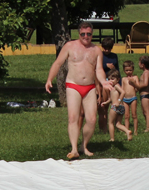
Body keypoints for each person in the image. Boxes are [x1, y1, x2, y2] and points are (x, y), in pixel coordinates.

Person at [45, 21, 113, 160]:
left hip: (89, 87)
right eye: (83, 34)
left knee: (92, 119)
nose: (86, 36)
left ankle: (84, 146)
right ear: (79, 33)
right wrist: (49, 79)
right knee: (73, 118)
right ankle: (74, 148)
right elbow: (58, 63)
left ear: (92, 34)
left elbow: (99, 69)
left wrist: (104, 82)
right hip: (73, 85)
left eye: (88, 34)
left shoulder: (96, 50)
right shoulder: (70, 46)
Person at [103, 70, 132, 142]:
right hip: (121, 107)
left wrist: (118, 101)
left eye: (112, 79)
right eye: (109, 79)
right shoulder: (112, 87)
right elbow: (111, 98)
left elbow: (123, 92)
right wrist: (106, 102)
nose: (110, 81)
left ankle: (112, 138)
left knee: (110, 123)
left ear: (118, 79)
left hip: (115, 106)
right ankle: (127, 131)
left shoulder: (116, 86)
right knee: (118, 124)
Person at [130, 55, 149, 133]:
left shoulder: (146, 73)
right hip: (143, 95)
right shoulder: (145, 73)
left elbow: (145, 84)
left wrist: (136, 85)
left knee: (147, 112)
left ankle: (148, 128)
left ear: (143, 64)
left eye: (139, 62)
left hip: (146, 95)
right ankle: (148, 126)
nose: (138, 64)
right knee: (144, 112)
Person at [121, 60, 139, 135]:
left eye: (130, 70)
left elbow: (138, 88)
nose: (129, 72)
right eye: (127, 70)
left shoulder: (135, 77)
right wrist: (121, 99)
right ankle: (127, 130)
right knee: (126, 116)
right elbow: (122, 89)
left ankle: (135, 130)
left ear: (133, 70)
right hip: (125, 99)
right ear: (124, 70)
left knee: (134, 115)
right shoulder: (123, 79)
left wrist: (133, 83)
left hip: (133, 98)